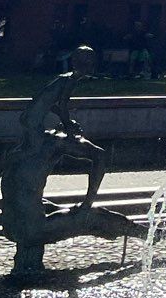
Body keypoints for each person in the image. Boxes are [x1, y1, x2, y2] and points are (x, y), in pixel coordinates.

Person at [22, 45, 108, 204]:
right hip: (33, 122)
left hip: (31, 119)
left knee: (30, 151)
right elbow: (61, 106)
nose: (90, 65)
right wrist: (68, 126)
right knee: (32, 153)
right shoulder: (70, 80)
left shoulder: (64, 78)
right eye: (88, 62)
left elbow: (47, 102)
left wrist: (67, 122)